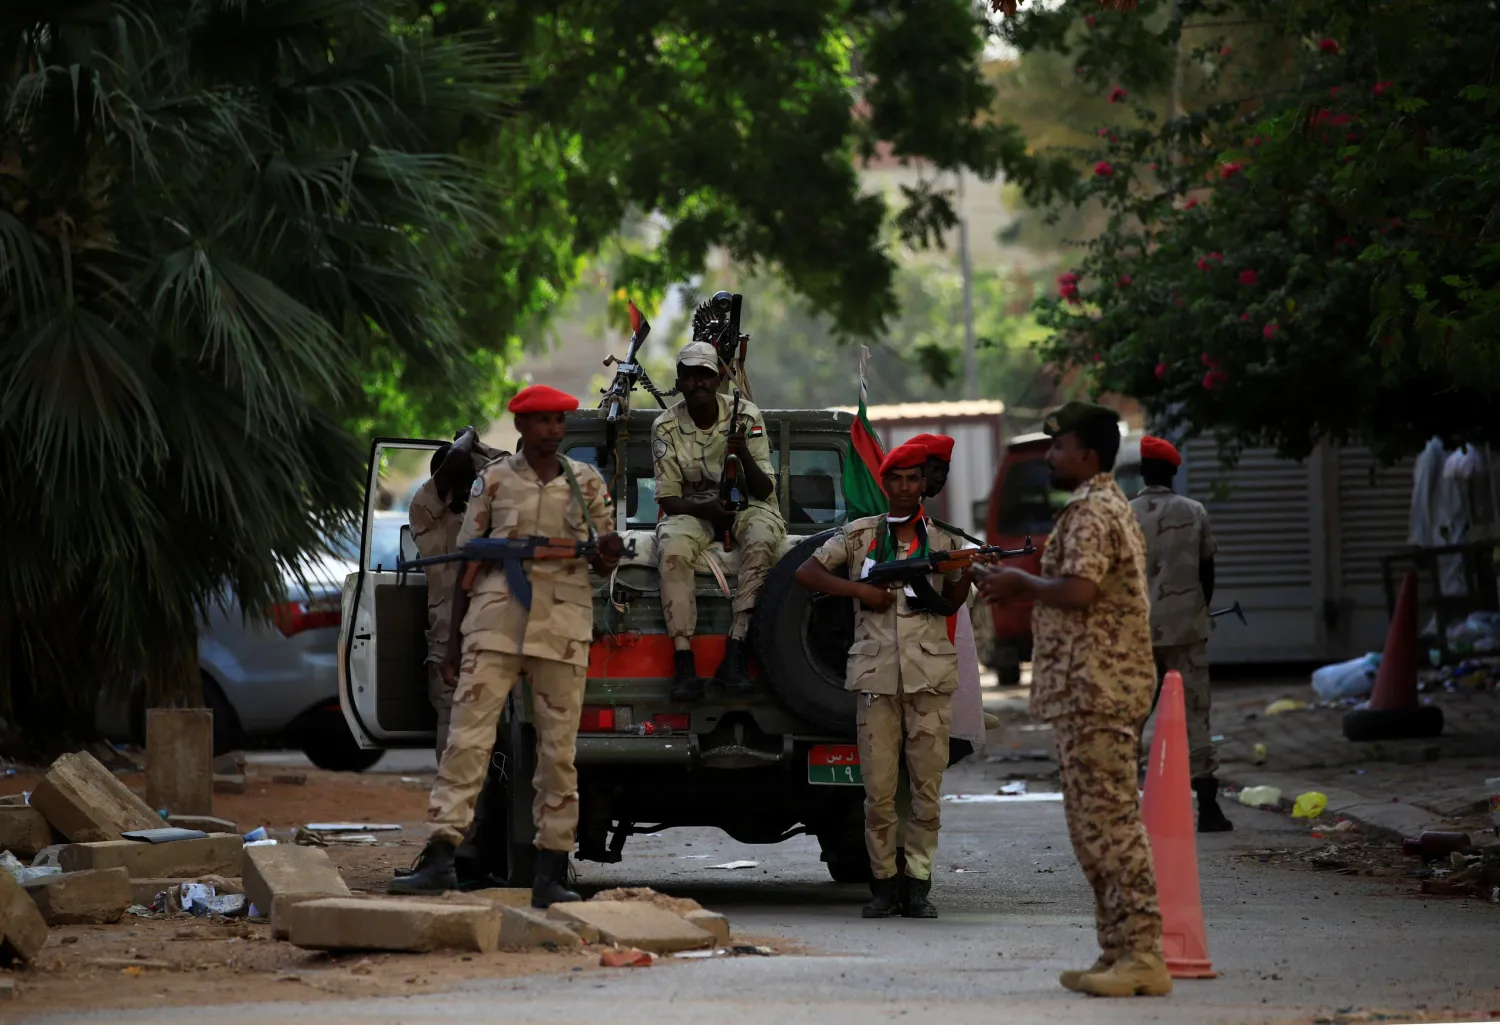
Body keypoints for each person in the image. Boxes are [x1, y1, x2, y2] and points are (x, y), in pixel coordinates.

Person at [391, 385, 625, 907]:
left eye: (559, 421)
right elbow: (467, 564)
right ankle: (442, 856)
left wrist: (608, 552)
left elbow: (603, 560)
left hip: (561, 625)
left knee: (558, 753)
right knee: (466, 742)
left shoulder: (586, 482)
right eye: (542, 420)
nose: (552, 430)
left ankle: (551, 869)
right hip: (494, 623)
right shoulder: (493, 481)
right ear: (520, 426)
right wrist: (453, 646)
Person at [974, 401, 1170, 998]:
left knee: (1110, 825)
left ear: (1087, 454)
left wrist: (1021, 583)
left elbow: (1080, 590)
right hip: (1089, 689)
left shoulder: (1091, 510)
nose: (1050, 456)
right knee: (1092, 828)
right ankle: (1117, 952)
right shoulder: (1097, 505)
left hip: (1098, 690)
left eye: (1058, 447)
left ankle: (1142, 953)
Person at [793, 441, 973, 920]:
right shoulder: (859, 536)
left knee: (926, 791)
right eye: (897, 479)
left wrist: (964, 574)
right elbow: (807, 573)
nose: (906, 487)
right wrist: (858, 590)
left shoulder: (945, 540)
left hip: (928, 681)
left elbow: (951, 605)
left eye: (914, 479)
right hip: (876, 680)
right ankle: (883, 885)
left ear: (923, 484)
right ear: (885, 483)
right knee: (878, 793)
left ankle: (918, 885)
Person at [653, 340, 786, 699]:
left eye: (705, 375)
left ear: (718, 379)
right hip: (695, 507)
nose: (698, 382)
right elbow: (669, 499)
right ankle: (684, 662)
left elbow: (764, 488)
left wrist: (743, 455)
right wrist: (709, 511)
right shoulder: (665, 426)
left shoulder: (746, 416)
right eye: (690, 375)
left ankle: (736, 651)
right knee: (672, 550)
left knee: (762, 538)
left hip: (748, 502)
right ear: (679, 381)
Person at [1130, 436, 1231, 833]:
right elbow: (1208, 572)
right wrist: (1196, 612)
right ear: (1173, 472)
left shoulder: (1124, 515)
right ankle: (1208, 807)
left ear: (1142, 472)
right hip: (1186, 630)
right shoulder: (1194, 511)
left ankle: (1126, 809)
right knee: (1196, 715)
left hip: (1137, 634)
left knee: (1132, 718)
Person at [407, 427, 504, 760]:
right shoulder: (427, 514)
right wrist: (470, 437)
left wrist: (479, 449)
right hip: (450, 648)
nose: (473, 485)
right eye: (466, 478)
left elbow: (509, 465)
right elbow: (458, 458)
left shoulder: (481, 517)